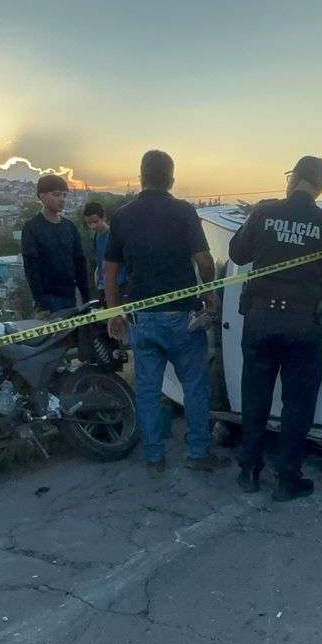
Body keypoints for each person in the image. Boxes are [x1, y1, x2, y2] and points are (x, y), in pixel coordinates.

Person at [228, 156, 322, 501]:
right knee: (297, 406)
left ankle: (249, 472)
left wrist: (250, 220)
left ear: (293, 178)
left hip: (260, 321)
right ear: (320, 186)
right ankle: (287, 481)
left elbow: (238, 254)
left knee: (255, 398)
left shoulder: (264, 211)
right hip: (303, 326)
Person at [104, 150, 225, 473]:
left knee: (147, 390)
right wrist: (208, 294)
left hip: (141, 317)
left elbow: (110, 270)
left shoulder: (122, 216)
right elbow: (205, 261)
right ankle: (198, 452)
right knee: (195, 386)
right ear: (171, 179)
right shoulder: (183, 211)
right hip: (181, 315)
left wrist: (113, 312)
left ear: (141, 178)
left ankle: (154, 456)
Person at [20, 174, 90, 313]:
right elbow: (31, 268)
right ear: (42, 196)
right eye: (57, 195)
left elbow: (80, 263)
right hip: (49, 299)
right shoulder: (32, 228)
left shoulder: (70, 227)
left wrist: (86, 297)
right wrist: (40, 302)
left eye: (64, 195)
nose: (62, 199)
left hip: (72, 296)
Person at [83, 201, 125, 301]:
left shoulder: (115, 236)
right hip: (103, 287)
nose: (92, 226)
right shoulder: (96, 237)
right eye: (89, 223)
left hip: (119, 286)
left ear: (104, 218)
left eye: (95, 222)